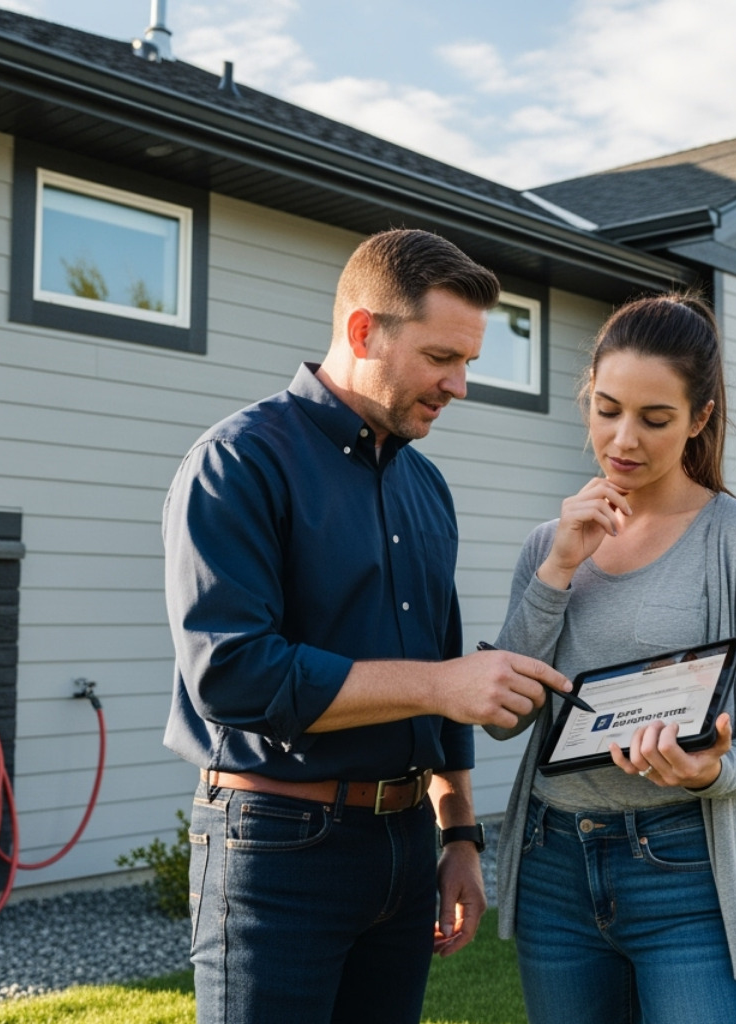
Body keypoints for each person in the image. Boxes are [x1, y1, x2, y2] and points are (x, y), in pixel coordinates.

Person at [163, 229, 573, 1024]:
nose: (459, 385)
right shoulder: (239, 462)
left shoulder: (428, 486)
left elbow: (441, 668)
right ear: (363, 331)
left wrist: (459, 833)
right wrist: (442, 686)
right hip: (278, 845)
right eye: (441, 358)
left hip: (405, 845)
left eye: (468, 362)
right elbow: (233, 673)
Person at [488, 293, 736, 1023]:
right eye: (607, 410)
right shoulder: (548, 545)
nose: (622, 439)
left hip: (688, 870)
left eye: (655, 419)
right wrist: (558, 570)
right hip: (552, 865)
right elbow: (504, 720)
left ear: (699, 418)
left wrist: (715, 770)